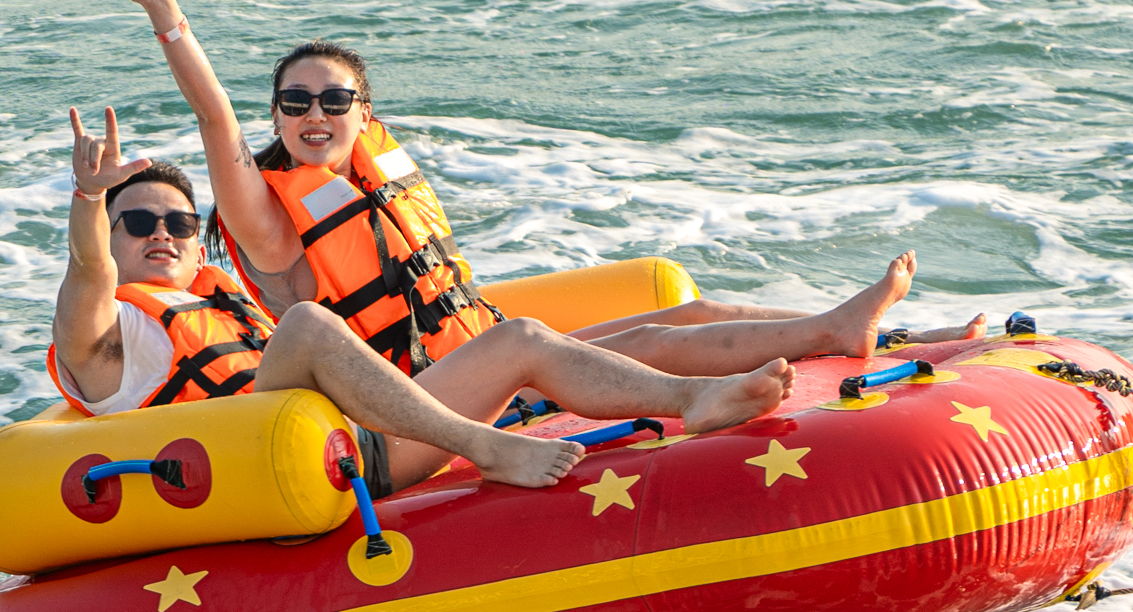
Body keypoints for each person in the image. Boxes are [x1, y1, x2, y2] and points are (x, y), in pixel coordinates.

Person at [73, 0, 982, 380]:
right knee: (652, 340)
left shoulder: (373, 172)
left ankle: (872, 334)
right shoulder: (267, 212)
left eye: (333, 98)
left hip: (475, 342)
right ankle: (835, 331)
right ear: (277, 111)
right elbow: (214, 123)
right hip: (425, 389)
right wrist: (166, 13)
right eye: (294, 100)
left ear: (364, 112)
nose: (313, 112)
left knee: (685, 317)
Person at [52, 106, 795, 495]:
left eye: (180, 222)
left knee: (523, 339)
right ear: (110, 234)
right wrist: (89, 198)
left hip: (347, 447)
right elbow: (87, 270)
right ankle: (482, 446)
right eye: (138, 222)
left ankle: (694, 396)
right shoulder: (112, 340)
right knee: (310, 322)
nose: (163, 234)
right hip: (262, 480)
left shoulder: (224, 304)